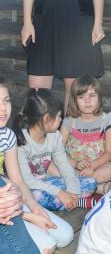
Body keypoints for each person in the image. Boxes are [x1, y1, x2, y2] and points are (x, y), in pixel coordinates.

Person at [21, 0, 105, 113]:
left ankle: (67, 136)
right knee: (37, 89)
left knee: (74, 88)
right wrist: (27, 22)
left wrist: (98, 23)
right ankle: (39, 136)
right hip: (44, 17)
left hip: (78, 19)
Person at [0, 77, 73, 253]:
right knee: (47, 246)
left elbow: (18, 181)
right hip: (8, 208)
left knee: (65, 235)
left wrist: (35, 207)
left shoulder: (7, 136)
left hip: (10, 201)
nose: (3, 109)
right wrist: (29, 216)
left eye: (6, 101)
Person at [12, 88, 100, 211]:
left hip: (47, 182)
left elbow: (65, 166)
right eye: (59, 116)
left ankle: (73, 200)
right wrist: (59, 192)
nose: (61, 120)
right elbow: (27, 180)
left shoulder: (55, 136)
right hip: (27, 187)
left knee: (91, 182)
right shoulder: (20, 141)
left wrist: (72, 191)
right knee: (37, 196)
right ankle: (79, 201)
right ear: (46, 118)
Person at [60, 75, 111, 194]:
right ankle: (96, 187)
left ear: (99, 97)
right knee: (49, 165)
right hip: (73, 169)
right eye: (81, 97)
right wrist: (76, 164)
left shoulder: (107, 120)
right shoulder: (69, 121)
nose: (87, 101)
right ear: (74, 100)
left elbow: (109, 153)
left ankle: (75, 186)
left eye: (92, 95)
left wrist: (92, 166)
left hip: (97, 168)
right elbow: (58, 150)